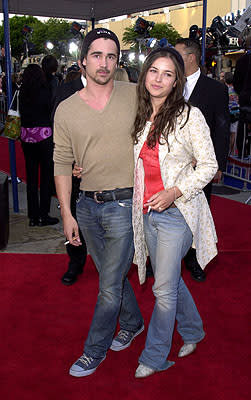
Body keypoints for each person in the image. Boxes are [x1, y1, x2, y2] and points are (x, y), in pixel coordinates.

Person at [53, 28, 143, 377]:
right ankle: (133, 323)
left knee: (107, 285)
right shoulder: (66, 109)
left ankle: (94, 350)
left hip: (124, 204)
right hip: (87, 206)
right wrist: (67, 213)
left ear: (117, 61)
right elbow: (61, 161)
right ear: (82, 61)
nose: (104, 63)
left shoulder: (136, 94)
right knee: (113, 276)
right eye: (96, 55)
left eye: (110, 56)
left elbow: (165, 124)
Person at [132, 47, 218, 378]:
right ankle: (194, 332)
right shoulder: (140, 113)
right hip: (146, 212)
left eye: (168, 74)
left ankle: (154, 356)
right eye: (154, 70)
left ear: (176, 82)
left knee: (162, 288)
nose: (159, 78)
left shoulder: (189, 116)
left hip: (177, 214)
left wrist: (175, 191)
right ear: (145, 74)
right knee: (170, 282)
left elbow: (210, 165)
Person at [175, 38, 230, 282]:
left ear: (191, 57)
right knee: (171, 211)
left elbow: (222, 128)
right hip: (172, 163)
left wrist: (218, 164)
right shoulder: (170, 83)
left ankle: (195, 259)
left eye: (177, 54)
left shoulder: (216, 89)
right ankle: (167, 255)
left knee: (198, 212)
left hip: (201, 165)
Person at [52, 60, 87, 286]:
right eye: (95, 56)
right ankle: (75, 262)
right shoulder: (65, 92)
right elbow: (58, 134)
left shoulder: (117, 91)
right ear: (83, 62)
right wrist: (70, 162)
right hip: (74, 173)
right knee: (72, 216)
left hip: (109, 174)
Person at [19, 64, 59, 226]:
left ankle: (33, 217)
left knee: (32, 177)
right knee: (46, 177)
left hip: (26, 136)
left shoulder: (22, 92)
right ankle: (44, 214)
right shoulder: (45, 91)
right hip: (44, 136)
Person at [233, 35, 251, 159]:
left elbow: (236, 82)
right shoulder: (243, 61)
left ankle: (242, 151)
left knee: (243, 126)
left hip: (245, 98)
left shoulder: (241, 61)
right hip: (246, 99)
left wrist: (242, 93)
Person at [224, 72, 239, 154]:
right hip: (236, 112)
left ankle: (227, 151)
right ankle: (232, 151)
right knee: (233, 133)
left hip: (227, 112)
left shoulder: (224, 89)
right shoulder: (236, 89)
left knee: (227, 133)